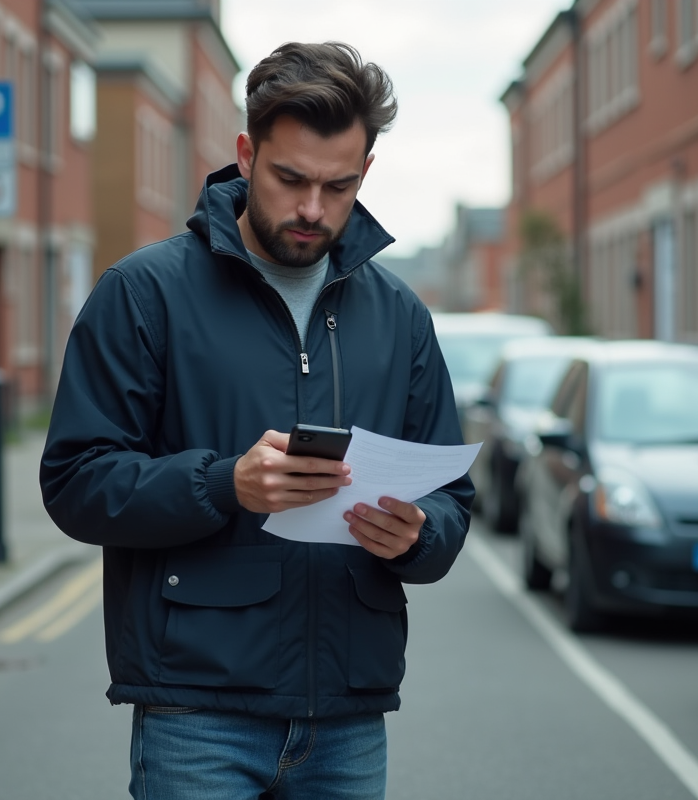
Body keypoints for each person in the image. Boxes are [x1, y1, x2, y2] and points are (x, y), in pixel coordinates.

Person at [40, 41, 473, 800]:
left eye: (339, 186)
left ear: (365, 171)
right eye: (290, 179)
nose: (313, 209)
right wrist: (222, 484)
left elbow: (450, 503)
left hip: (348, 719)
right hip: (196, 715)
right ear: (246, 156)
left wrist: (418, 535)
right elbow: (76, 482)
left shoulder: (401, 315)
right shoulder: (144, 293)